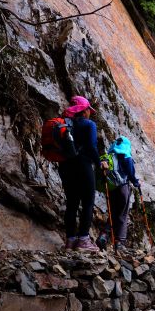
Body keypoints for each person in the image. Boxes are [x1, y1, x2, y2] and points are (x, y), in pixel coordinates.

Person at [59, 96, 102, 252]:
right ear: (84, 111)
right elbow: (91, 146)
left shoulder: (64, 124)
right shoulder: (89, 124)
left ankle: (70, 241)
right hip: (83, 166)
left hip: (65, 167)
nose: (90, 113)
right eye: (88, 110)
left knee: (72, 203)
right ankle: (83, 240)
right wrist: (98, 163)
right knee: (88, 202)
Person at [98, 136, 140, 250]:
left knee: (112, 212)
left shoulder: (110, 155)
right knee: (122, 214)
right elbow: (131, 174)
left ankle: (103, 235)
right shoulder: (126, 157)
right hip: (122, 188)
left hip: (111, 188)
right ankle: (120, 242)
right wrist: (136, 183)